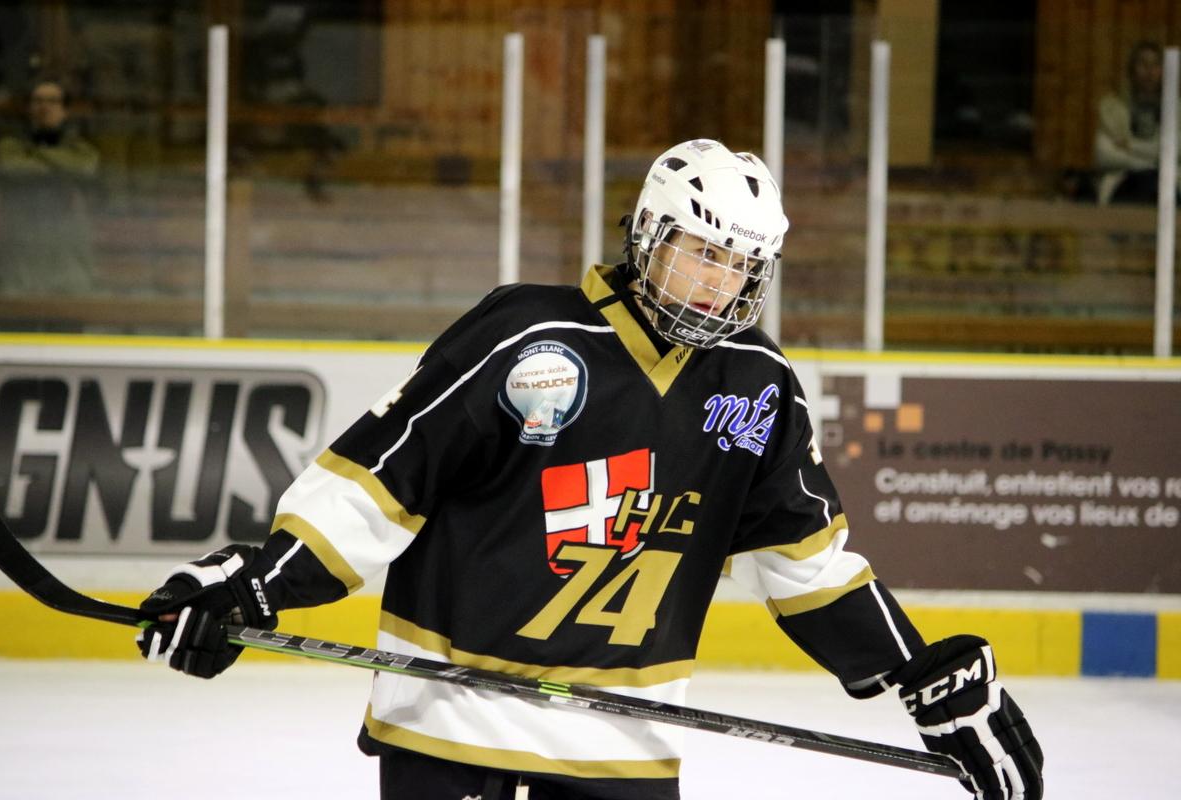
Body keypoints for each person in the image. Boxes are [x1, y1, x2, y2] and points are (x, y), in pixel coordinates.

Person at [136, 139, 1043, 800]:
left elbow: (812, 571)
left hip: (623, 752)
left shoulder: (757, 386)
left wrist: (926, 680)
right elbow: (378, 484)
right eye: (700, 250)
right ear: (648, 235)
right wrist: (258, 584)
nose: (715, 283)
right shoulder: (530, 335)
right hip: (454, 733)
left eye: (739, 265)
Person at [0, 77, 99, 295]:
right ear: (29, 108)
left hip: (66, 252)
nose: (44, 107)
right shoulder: (11, 145)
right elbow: (11, 166)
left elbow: (84, 167)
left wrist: (36, 154)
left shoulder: (80, 149)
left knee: (65, 318)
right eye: (38, 100)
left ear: (64, 110)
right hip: (20, 251)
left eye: (53, 101)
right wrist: (60, 165)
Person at [1094, 41, 1180, 205]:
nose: (1149, 70)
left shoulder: (1176, 110)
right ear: (1131, 70)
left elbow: (1174, 150)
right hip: (1124, 182)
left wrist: (1130, 146)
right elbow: (1103, 154)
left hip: (1170, 183)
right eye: (1143, 63)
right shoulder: (1112, 108)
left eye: (1155, 64)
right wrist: (1149, 163)